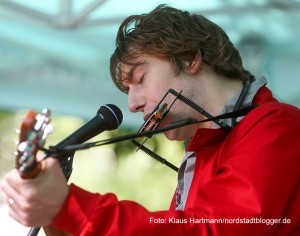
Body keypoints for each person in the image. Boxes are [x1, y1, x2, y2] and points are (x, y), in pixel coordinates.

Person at [1, 4, 300, 236]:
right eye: (128, 90)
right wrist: (54, 214)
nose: (131, 104)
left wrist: (69, 206)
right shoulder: (203, 151)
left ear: (190, 58)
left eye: (140, 78)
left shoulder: (275, 125)